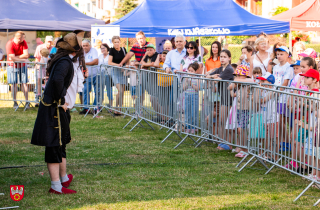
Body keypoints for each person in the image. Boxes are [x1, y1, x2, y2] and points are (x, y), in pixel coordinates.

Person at [31, 31, 85, 194]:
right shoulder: (64, 62)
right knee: (54, 144)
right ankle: (56, 186)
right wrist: (61, 100)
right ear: (74, 50)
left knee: (60, 144)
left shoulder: (64, 60)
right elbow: (56, 81)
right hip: (53, 107)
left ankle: (62, 179)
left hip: (54, 107)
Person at [206, 49, 234, 142]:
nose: (222, 59)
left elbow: (216, 80)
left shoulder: (229, 69)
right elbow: (207, 76)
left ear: (229, 58)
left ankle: (227, 142)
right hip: (222, 97)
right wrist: (212, 76)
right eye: (221, 56)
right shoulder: (220, 68)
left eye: (224, 57)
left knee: (226, 121)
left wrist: (213, 77)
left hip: (229, 98)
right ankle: (222, 140)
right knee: (222, 121)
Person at [273, 46, 293, 149]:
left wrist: (276, 93)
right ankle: (283, 141)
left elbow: (285, 82)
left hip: (284, 96)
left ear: (287, 55)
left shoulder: (289, 67)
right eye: (278, 54)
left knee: (284, 120)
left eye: (282, 54)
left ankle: (288, 142)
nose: (279, 56)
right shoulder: (275, 67)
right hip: (276, 95)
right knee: (279, 120)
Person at [6, 31, 30, 109]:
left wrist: (16, 57)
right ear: (19, 38)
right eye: (24, 37)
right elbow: (12, 58)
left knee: (24, 83)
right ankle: (15, 102)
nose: (24, 39)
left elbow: (26, 55)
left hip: (22, 66)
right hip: (12, 66)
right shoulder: (10, 43)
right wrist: (22, 59)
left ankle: (27, 102)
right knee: (14, 84)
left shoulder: (24, 42)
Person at [108, 36, 128, 115]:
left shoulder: (123, 49)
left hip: (122, 72)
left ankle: (120, 108)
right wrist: (118, 65)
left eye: (118, 41)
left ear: (120, 42)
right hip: (115, 71)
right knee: (119, 90)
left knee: (122, 91)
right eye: (115, 42)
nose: (116, 43)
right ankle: (116, 108)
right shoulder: (112, 50)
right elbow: (109, 62)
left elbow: (127, 60)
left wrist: (126, 67)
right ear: (113, 43)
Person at [80, 40, 99, 115]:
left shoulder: (93, 50)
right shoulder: (81, 52)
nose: (85, 47)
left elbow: (96, 62)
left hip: (96, 74)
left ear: (90, 46)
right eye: (83, 45)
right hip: (86, 75)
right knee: (85, 91)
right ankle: (86, 108)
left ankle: (95, 108)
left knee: (97, 91)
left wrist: (84, 63)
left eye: (86, 45)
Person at [183, 63, 200, 134]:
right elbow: (183, 88)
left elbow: (198, 88)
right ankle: (188, 126)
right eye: (189, 70)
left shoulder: (197, 78)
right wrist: (186, 82)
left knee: (193, 112)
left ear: (196, 71)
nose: (190, 72)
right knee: (187, 111)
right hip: (187, 95)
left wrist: (191, 84)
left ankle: (194, 126)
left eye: (192, 71)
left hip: (194, 96)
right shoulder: (186, 78)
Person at [98, 43, 113, 108]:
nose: (102, 49)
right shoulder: (100, 56)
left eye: (104, 48)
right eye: (101, 48)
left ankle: (110, 105)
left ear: (107, 48)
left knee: (109, 89)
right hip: (101, 74)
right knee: (100, 89)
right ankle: (100, 105)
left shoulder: (110, 55)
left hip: (108, 74)